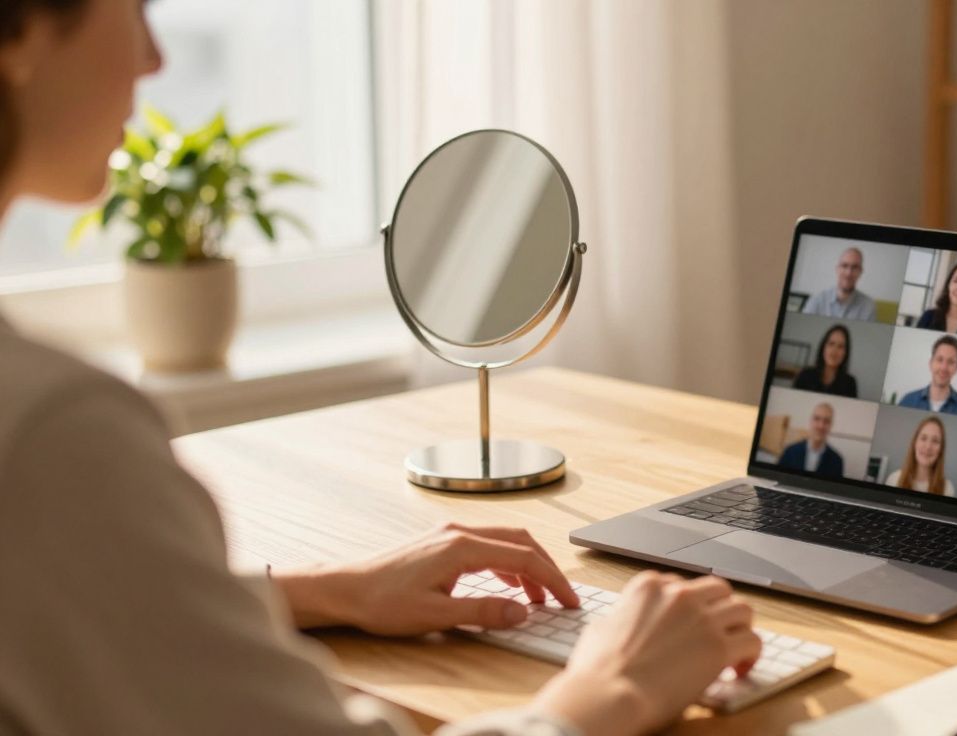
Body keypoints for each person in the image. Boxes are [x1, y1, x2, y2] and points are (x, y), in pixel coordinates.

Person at [0, 3, 761, 735]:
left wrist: (330, 590)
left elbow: (82, 606)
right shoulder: (54, 439)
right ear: (22, 30)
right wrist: (608, 691)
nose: (154, 57)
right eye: (133, 6)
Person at [897, 335, 957, 417]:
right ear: (931, 363)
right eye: (939, 359)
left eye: (951, 362)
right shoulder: (907, 401)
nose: (944, 367)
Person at [885, 416, 956, 496]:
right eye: (923, 438)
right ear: (915, 442)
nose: (928, 446)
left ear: (941, 449)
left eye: (935, 441)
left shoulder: (947, 489)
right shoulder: (893, 479)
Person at [801, 247, 877, 321]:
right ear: (837, 269)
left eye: (854, 267)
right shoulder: (817, 300)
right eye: (844, 266)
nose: (848, 273)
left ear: (860, 272)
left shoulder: (869, 306)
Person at [778, 402, 844, 477]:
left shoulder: (837, 461)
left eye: (826, 421)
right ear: (810, 421)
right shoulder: (790, 452)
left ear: (831, 425)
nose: (821, 426)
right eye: (817, 419)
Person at [792, 324, 858, 397]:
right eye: (831, 344)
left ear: (845, 353)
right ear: (823, 347)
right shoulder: (804, 376)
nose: (834, 350)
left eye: (840, 346)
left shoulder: (850, 383)